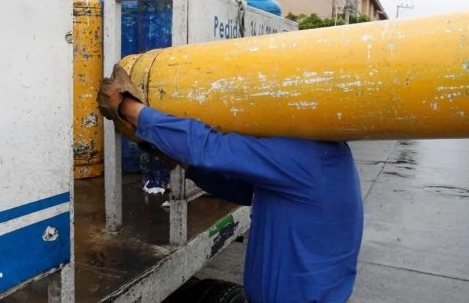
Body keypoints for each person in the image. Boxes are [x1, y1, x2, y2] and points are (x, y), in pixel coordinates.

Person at [98, 66, 364, 303]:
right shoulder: (328, 156)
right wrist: (182, 163)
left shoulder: (307, 155)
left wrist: (129, 108)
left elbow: (210, 147)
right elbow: (248, 191)